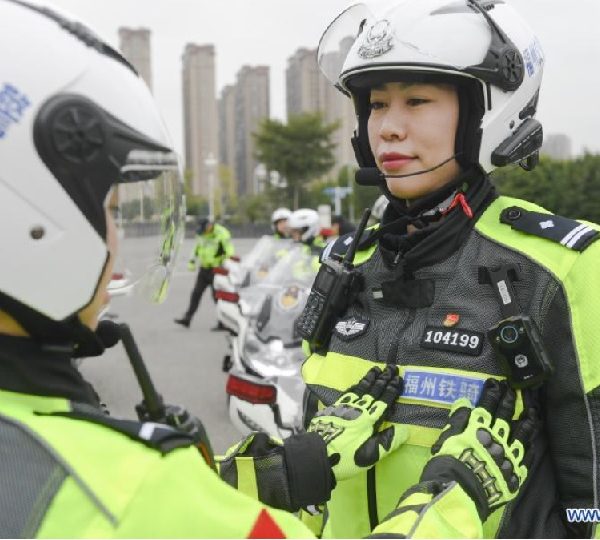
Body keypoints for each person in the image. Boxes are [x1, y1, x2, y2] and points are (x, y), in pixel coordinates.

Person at [300, 0, 600, 537]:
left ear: (485, 114)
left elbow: (590, 484)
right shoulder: (343, 264)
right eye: (375, 105)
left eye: (416, 101)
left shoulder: (557, 267)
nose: (388, 128)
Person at [174, 217, 234, 329]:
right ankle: (187, 318)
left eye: (203, 228)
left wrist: (226, 264)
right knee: (196, 294)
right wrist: (192, 261)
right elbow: (197, 247)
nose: (202, 231)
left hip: (217, 269)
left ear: (209, 226)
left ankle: (223, 322)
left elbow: (229, 250)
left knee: (218, 297)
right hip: (204, 268)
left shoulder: (222, 234)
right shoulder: (201, 233)